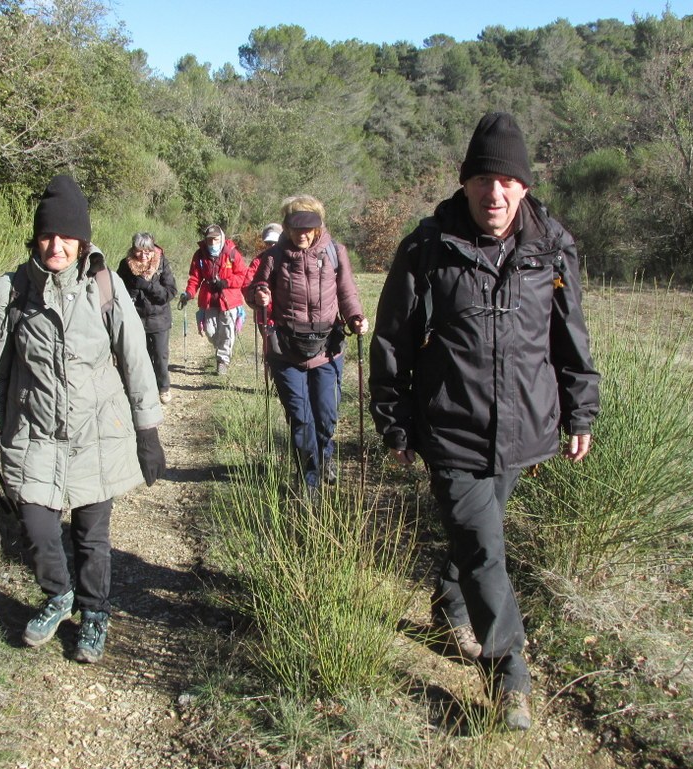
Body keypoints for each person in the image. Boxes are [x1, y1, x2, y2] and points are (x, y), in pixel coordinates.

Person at [368, 112, 600, 731]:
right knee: (484, 546)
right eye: (481, 180)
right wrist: (392, 416)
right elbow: (392, 338)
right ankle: (509, 673)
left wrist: (581, 407)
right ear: (464, 183)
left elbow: (568, 336)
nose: (493, 194)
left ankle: (448, 600)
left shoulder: (551, 246)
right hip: (450, 425)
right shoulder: (427, 245)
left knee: (478, 538)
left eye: (506, 181)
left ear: (523, 186)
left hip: (523, 426)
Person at [0, 174, 166, 664]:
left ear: (81, 240)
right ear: (35, 238)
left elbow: (136, 359)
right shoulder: (10, 292)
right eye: (46, 236)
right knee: (37, 531)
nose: (55, 245)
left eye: (66, 237)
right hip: (33, 433)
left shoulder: (106, 286)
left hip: (98, 432)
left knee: (92, 538)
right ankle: (58, 595)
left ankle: (95, 611)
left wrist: (148, 432)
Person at [246, 196, 368, 494]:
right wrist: (260, 293)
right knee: (301, 419)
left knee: (325, 417)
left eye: (308, 228)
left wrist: (355, 317)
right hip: (286, 350)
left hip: (327, 348)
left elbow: (347, 292)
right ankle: (308, 480)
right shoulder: (272, 257)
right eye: (295, 227)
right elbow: (253, 289)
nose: (302, 234)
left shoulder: (335, 252)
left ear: (318, 227)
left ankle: (325, 455)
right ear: (286, 227)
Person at [177, 224, 248, 375]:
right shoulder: (200, 255)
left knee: (227, 330)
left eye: (216, 240)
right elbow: (194, 278)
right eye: (210, 240)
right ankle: (223, 348)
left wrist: (226, 282)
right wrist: (188, 294)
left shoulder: (232, 253)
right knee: (210, 331)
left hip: (229, 298)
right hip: (209, 298)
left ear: (221, 238)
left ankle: (222, 361)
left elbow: (242, 275)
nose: (213, 243)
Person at [117, 232, 178, 404]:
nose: (143, 255)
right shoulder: (125, 265)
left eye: (148, 251)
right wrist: (134, 292)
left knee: (160, 355)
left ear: (153, 250)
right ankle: (146, 388)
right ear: (133, 249)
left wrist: (149, 285)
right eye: (139, 250)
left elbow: (170, 292)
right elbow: (119, 291)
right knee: (139, 356)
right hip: (135, 319)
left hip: (159, 318)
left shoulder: (161, 264)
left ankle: (164, 387)